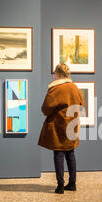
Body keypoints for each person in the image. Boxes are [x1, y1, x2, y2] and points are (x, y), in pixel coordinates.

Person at [38, 64, 84, 194]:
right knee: (70, 154)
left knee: (58, 154)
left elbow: (45, 108)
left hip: (58, 126)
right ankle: (72, 183)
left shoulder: (55, 89)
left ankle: (60, 185)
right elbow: (81, 105)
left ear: (57, 74)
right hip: (72, 125)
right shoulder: (74, 87)